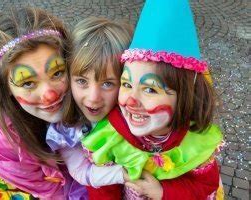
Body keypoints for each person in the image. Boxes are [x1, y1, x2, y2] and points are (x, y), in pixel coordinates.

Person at [81, 0, 224, 199]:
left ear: (185, 96)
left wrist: (163, 192)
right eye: (127, 84)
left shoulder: (195, 142)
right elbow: (103, 189)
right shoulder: (110, 136)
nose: (131, 101)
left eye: (149, 89)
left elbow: (205, 185)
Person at [0, 7, 87, 199]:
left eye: (57, 72)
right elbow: (51, 192)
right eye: (28, 83)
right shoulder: (7, 139)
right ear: (4, 87)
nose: (49, 95)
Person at [46, 17, 133, 199]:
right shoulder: (67, 129)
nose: (93, 98)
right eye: (82, 81)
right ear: (69, 78)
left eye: (108, 84)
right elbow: (80, 171)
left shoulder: (135, 114)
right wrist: (124, 174)